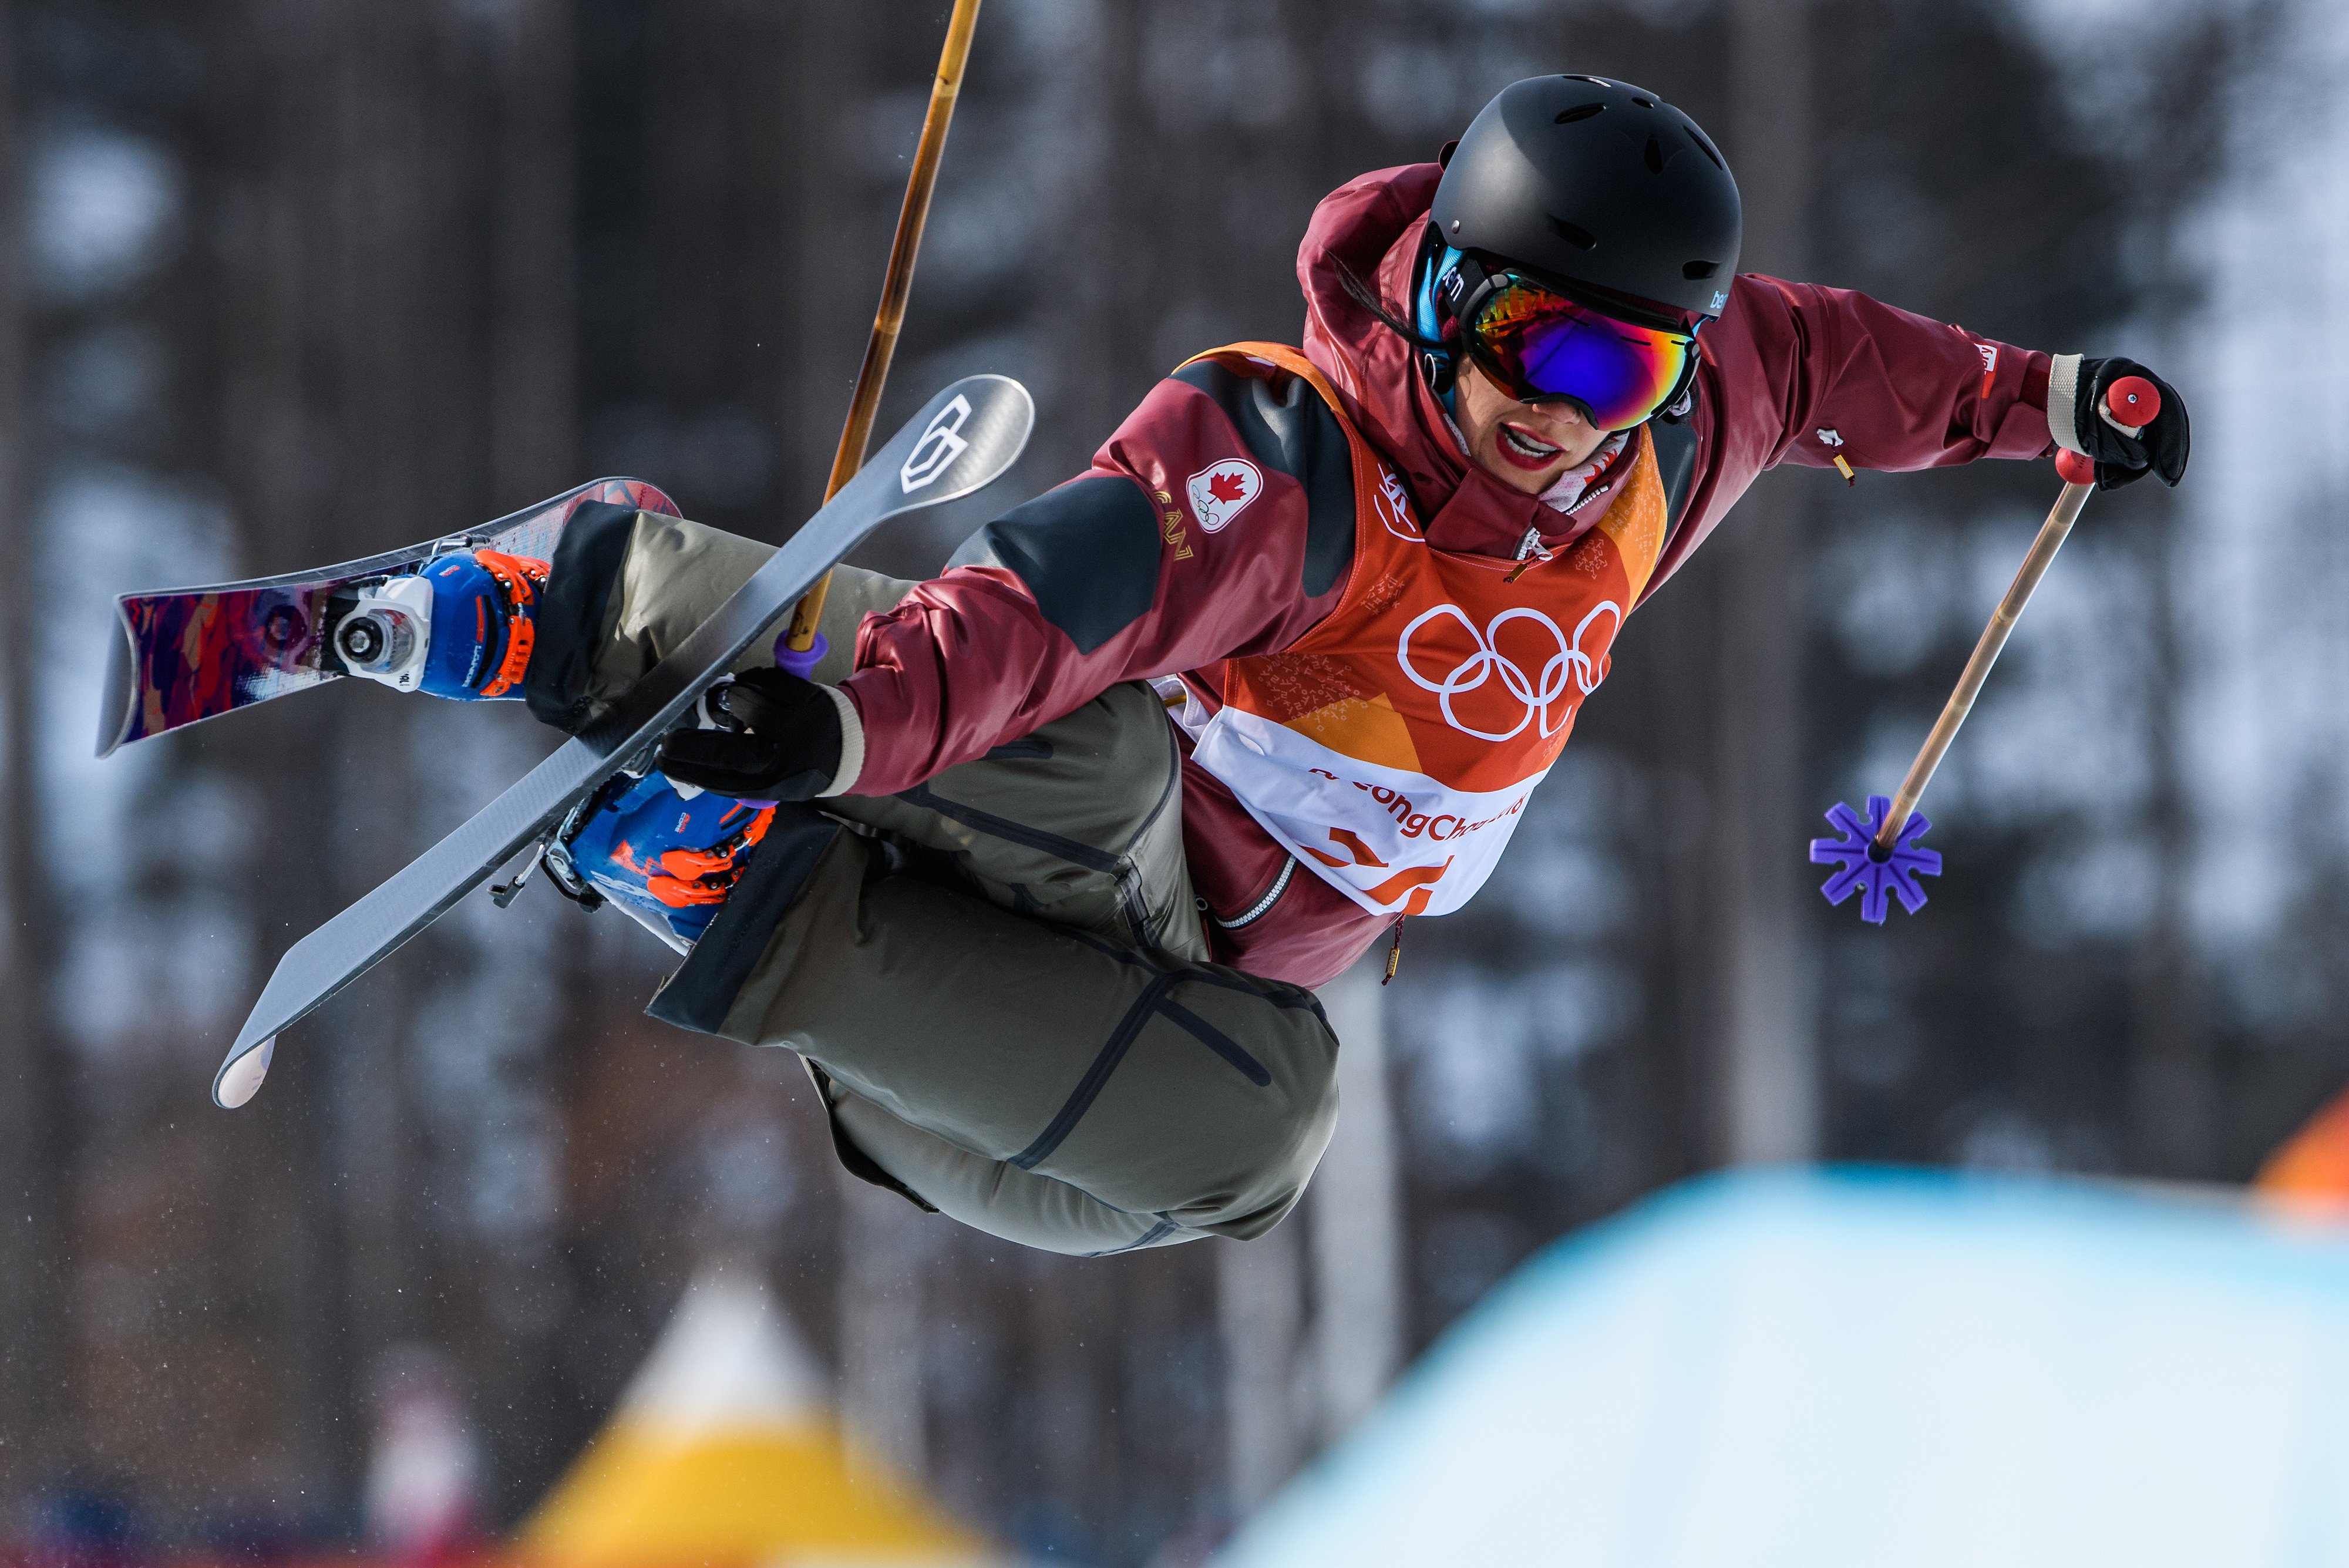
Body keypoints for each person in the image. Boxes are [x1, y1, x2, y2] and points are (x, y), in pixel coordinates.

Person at [382, 75, 2192, 1256]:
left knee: (1248, 1146)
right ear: (1443, 295)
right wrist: (856, 722)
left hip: (1177, 969)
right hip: (1074, 825)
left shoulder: (1653, 455)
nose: (1570, 422)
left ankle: (724, 886)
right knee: (1091, 755)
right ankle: (588, 597)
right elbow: (1044, 608)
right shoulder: (1300, 454)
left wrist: (2040, 403)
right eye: (1539, 353)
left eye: (1625, 378)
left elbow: (1813, 364)